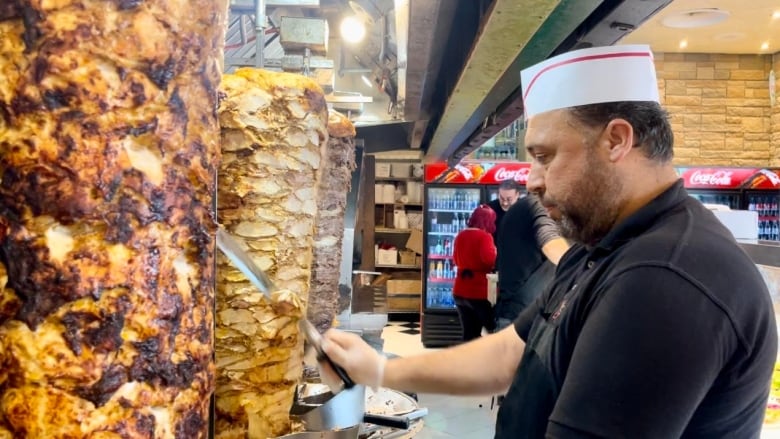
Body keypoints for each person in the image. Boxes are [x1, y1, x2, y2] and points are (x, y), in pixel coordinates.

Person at [321, 45, 777, 438]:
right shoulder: (600, 246)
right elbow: (508, 355)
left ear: (616, 140)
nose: (532, 181)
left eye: (544, 156)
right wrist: (382, 371)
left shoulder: (666, 278)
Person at [493, 194, 569, 331]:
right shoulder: (538, 206)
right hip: (525, 320)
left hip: (514, 313)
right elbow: (550, 241)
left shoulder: (521, 208)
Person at [452, 205, 497, 341]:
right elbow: (489, 260)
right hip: (479, 291)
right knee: (493, 329)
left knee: (469, 334)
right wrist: (496, 253)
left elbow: (455, 259)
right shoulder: (485, 237)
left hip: (459, 289)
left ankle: (466, 361)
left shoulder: (461, 235)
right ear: (487, 221)